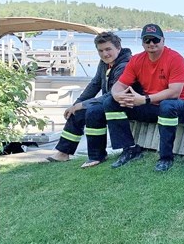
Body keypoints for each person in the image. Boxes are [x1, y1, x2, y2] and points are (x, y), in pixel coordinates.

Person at [104, 23, 184, 172]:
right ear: (142, 42)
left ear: (163, 41)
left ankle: (166, 158)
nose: (151, 43)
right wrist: (117, 94)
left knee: (167, 105)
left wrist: (144, 99)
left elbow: (175, 92)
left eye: (155, 40)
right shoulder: (137, 60)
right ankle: (130, 149)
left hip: (180, 106)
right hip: (152, 105)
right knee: (110, 102)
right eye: (147, 40)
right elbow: (119, 84)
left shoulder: (175, 59)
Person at [42, 32, 133, 167]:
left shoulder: (125, 65)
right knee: (77, 111)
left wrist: (83, 105)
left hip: (123, 104)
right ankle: (63, 152)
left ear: (118, 48)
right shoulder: (104, 63)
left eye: (108, 49)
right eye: (100, 51)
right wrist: (77, 104)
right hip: (108, 101)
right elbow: (94, 84)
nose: (104, 54)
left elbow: (114, 94)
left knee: (93, 111)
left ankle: (97, 156)